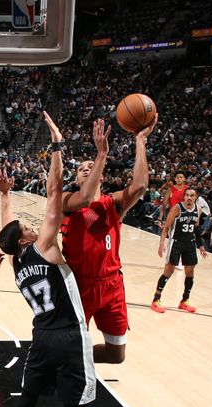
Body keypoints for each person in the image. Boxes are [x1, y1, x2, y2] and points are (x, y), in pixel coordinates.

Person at [0, 112, 94, 407]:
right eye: (28, 226)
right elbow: (54, 192)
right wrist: (57, 147)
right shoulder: (46, 246)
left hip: (40, 340)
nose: (35, 224)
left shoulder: (17, 263)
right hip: (70, 336)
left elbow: (6, 231)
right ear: (27, 239)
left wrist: (5, 197)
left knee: (29, 401)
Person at [61, 113, 157, 364]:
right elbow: (85, 198)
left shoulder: (112, 204)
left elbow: (139, 187)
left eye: (91, 168)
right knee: (71, 343)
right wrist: (100, 155)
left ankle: (70, 360)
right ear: (77, 179)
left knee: (117, 356)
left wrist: (140, 141)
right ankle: (65, 362)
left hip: (112, 285)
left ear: (101, 176)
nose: (88, 169)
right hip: (79, 286)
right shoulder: (67, 202)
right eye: (83, 169)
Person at [151, 189, 208, 313]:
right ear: (184, 196)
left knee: (190, 272)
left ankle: (184, 301)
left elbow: (196, 228)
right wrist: (161, 244)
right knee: (168, 271)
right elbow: (166, 228)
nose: (189, 197)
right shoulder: (177, 208)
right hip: (175, 243)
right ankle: (156, 300)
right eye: (187, 195)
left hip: (190, 244)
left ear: (195, 197)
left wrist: (201, 246)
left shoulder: (198, 209)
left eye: (192, 195)